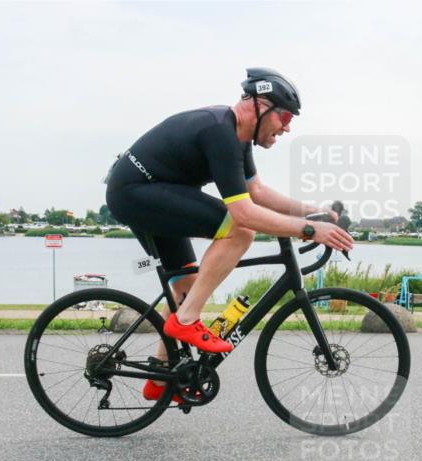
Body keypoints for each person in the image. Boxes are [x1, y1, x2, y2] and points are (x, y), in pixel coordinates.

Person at [104, 68, 353, 402]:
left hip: (150, 193)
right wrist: (310, 230)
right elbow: (244, 213)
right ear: (259, 105)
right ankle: (188, 320)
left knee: (186, 287)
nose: (288, 126)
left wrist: (310, 211)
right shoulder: (219, 131)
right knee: (240, 231)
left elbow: (258, 192)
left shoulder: (237, 136)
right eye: (285, 116)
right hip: (137, 192)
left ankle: (162, 378)